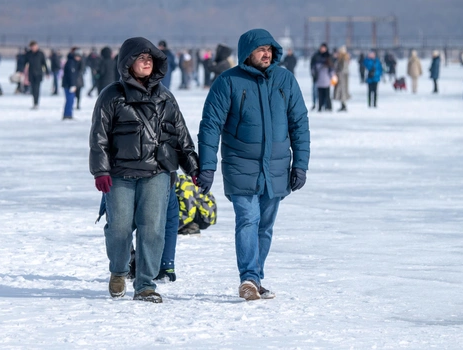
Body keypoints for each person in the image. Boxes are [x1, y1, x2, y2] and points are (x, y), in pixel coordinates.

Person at [197, 28, 310, 301]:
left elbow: (299, 124)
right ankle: (248, 277)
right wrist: (207, 166)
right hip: (240, 164)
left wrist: (301, 164)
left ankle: (255, 279)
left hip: (277, 166)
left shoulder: (285, 80)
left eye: (270, 49)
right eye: (261, 49)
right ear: (248, 53)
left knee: (265, 226)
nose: (267, 53)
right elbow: (210, 126)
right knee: (248, 218)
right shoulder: (228, 82)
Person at [89, 37, 199, 303]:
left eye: (151, 59)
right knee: (119, 228)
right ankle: (118, 270)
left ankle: (146, 284)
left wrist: (194, 167)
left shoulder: (166, 97)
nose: (147, 62)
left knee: (153, 229)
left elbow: (181, 136)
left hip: (157, 172)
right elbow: (99, 137)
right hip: (120, 174)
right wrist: (100, 171)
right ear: (128, 63)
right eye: (141, 58)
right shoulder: (111, 96)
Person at [24, 41, 50, 109]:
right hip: (31, 73)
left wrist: (47, 72)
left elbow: (44, 63)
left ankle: (36, 103)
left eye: (34, 46)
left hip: (39, 73)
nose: (33, 48)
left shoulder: (40, 54)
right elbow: (24, 62)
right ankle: (34, 102)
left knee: (37, 88)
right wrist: (21, 70)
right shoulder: (29, 54)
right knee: (33, 89)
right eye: (32, 47)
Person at [62, 49, 82, 119]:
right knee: (69, 100)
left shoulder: (74, 62)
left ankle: (69, 114)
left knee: (71, 100)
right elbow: (71, 75)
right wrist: (72, 85)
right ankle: (67, 114)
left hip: (70, 84)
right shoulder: (71, 63)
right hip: (68, 85)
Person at [312, 47, 334, 112]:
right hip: (326, 81)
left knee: (320, 96)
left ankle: (320, 107)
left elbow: (313, 70)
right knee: (327, 95)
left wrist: (314, 76)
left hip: (319, 81)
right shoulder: (328, 62)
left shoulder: (317, 62)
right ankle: (328, 107)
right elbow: (331, 71)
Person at [333, 46, 350, 111]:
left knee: (342, 91)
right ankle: (343, 105)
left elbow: (342, 69)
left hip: (342, 78)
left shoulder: (343, 59)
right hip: (342, 77)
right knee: (342, 91)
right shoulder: (343, 59)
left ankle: (344, 105)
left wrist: (337, 72)